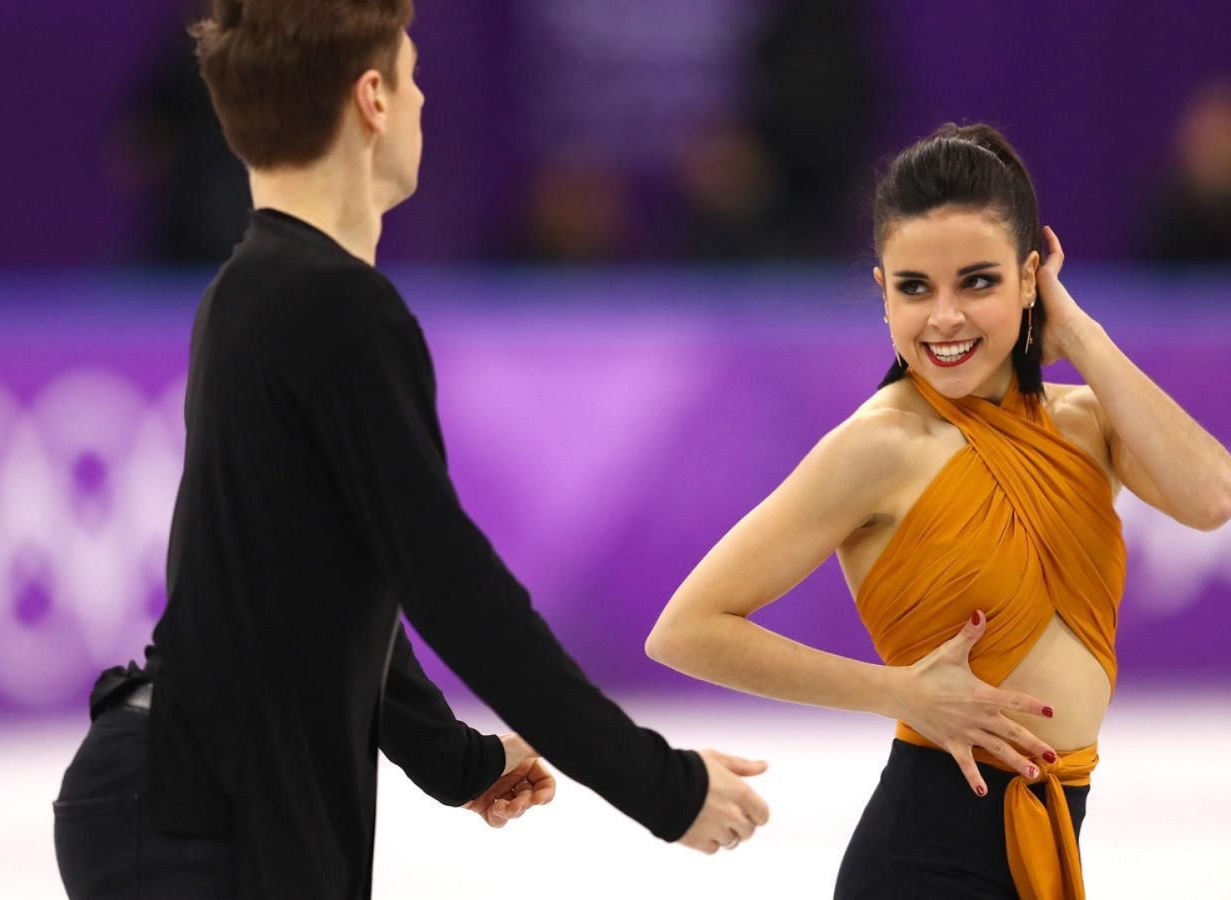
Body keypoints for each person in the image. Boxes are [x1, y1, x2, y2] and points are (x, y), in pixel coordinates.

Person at [51, 2, 769, 898]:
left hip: (197, 800)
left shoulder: (252, 292)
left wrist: (457, 762)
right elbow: (450, 584)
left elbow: (320, 564)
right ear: (373, 100)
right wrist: (658, 784)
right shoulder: (336, 309)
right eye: (415, 76)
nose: (426, 100)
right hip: (205, 816)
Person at [646, 123, 1231, 898]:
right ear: (882, 292)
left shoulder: (1086, 424)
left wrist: (1083, 335)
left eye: (980, 282)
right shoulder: (878, 446)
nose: (946, 318)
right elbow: (685, 630)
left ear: (1032, 280)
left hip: (1049, 844)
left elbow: (1213, 498)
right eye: (915, 288)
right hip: (923, 862)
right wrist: (901, 694)